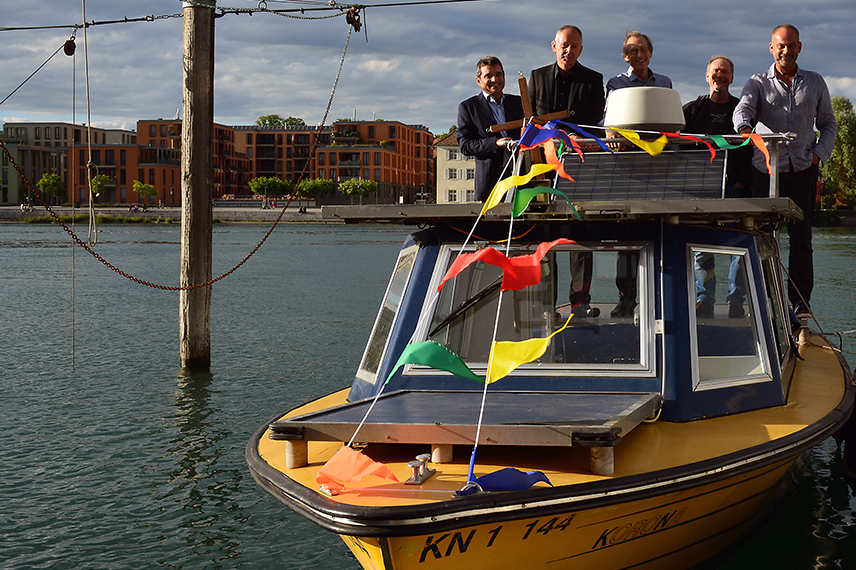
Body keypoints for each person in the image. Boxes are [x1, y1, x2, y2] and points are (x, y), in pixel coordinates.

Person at [733, 24, 836, 319]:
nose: (786, 51)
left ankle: (800, 305)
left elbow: (829, 123)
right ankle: (766, 301)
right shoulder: (756, 82)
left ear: (799, 48)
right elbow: (743, 111)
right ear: (771, 48)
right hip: (765, 170)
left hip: (804, 168)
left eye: (791, 45)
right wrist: (743, 128)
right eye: (780, 45)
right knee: (763, 237)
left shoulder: (816, 83)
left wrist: (818, 156)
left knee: (801, 239)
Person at [529, 25, 605, 318]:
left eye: (574, 46)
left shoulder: (592, 80)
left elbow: (593, 124)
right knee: (545, 239)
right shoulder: (536, 78)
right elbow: (531, 123)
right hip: (543, 169)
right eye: (563, 45)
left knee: (579, 237)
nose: (568, 51)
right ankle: (547, 305)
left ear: (580, 50)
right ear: (553, 46)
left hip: (577, 166)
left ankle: (579, 301)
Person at [604, 31, 673, 317]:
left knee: (660, 231)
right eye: (633, 51)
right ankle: (626, 298)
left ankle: (659, 296)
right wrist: (612, 137)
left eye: (643, 49)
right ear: (625, 56)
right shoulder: (615, 84)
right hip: (627, 166)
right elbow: (607, 123)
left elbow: (671, 123)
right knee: (627, 236)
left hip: (658, 165)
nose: (639, 55)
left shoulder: (665, 83)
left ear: (651, 53)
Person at [684, 55, 751, 318]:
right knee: (702, 248)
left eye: (725, 72)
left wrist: (740, 182)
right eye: (715, 71)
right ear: (707, 75)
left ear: (732, 78)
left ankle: (736, 301)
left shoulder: (742, 110)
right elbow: (678, 146)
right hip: (701, 190)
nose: (719, 76)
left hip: (736, 187)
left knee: (738, 249)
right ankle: (705, 299)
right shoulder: (692, 111)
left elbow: (750, 150)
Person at [457, 56, 524, 202]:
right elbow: (465, 145)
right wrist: (494, 143)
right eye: (489, 76)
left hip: (521, 181)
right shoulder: (469, 108)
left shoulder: (520, 103)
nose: (495, 79)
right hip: (489, 184)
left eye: (498, 74)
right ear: (478, 81)